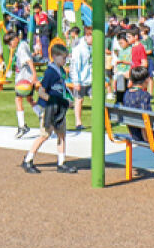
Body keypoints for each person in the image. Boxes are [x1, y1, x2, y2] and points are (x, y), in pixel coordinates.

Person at [20, 42, 75, 174]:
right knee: (44, 135)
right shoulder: (51, 72)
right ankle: (28, 159)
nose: (65, 60)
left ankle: (61, 163)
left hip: (59, 108)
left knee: (61, 134)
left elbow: (62, 89)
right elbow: (41, 92)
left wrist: (67, 100)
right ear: (55, 56)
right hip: (50, 108)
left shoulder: (61, 72)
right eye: (63, 58)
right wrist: (55, 100)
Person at [6, 29, 35, 137]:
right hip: (25, 78)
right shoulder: (22, 45)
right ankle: (42, 116)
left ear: (15, 39)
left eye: (10, 43)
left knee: (18, 100)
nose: (10, 46)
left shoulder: (21, 47)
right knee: (29, 100)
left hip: (24, 79)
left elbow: (29, 61)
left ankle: (22, 126)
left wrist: (34, 75)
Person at [66, 26, 91, 131]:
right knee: (79, 100)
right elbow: (75, 65)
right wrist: (76, 81)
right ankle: (78, 122)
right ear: (88, 36)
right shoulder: (79, 47)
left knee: (96, 99)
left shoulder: (89, 46)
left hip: (90, 78)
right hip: (81, 79)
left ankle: (102, 120)